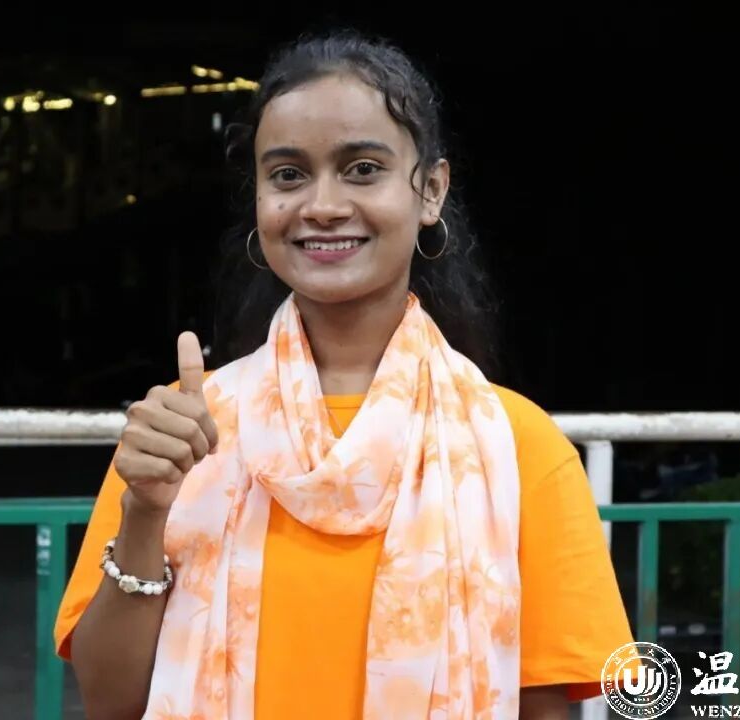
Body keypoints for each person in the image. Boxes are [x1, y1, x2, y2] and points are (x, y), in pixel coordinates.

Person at [54, 29, 633, 720]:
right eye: (288, 175)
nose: (322, 205)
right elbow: (110, 701)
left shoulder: (517, 447)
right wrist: (146, 511)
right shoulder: (183, 433)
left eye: (362, 169)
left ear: (431, 191)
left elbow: (543, 708)